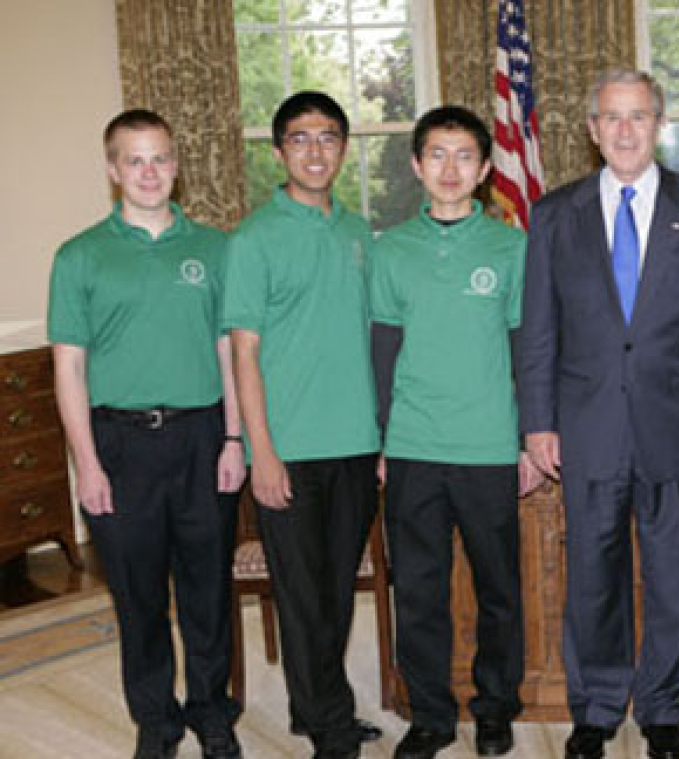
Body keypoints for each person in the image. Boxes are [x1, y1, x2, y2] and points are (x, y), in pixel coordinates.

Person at [516, 68, 679, 759]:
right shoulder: (555, 214)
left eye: (637, 116)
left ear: (658, 123)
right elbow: (539, 329)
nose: (623, 129)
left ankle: (665, 708)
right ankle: (597, 706)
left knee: (674, 573)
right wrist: (536, 423)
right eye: (610, 117)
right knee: (591, 574)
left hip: (676, 424)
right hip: (584, 427)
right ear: (590, 129)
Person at [48, 109, 246, 759]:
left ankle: (212, 711)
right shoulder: (79, 256)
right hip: (119, 447)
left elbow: (229, 351)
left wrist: (234, 439)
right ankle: (155, 720)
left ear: (177, 164)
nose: (150, 171)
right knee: (137, 597)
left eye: (160, 157)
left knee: (207, 591)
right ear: (112, 170)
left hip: (201, 439)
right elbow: (69, 367)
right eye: (135, 160)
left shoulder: (215, 248)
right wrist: (88, 465)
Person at [369, 105, 542, 759]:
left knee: (499, 590)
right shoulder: (391, 250)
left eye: (464, 155)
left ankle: (495, 707)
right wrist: (383, 440)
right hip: (412, 448)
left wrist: (529, 438)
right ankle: (431, 716)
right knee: (419, 591)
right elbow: (382, 353)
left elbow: (527, 350)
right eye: (436, 154)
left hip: (489, 448)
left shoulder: (512, 247)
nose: (449, 168)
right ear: (417, 166)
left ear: (485, 168)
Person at [222, 91, 383, 759]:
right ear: (279, 150)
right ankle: (330, 728)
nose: (315, 150)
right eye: (300, 138)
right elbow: (244, 351)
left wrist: (382, 439)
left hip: (357, 444)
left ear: (343, 148)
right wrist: (261, 450)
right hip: (289, 448)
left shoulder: (357, 231)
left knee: (337, 590)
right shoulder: (254, 239)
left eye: (328, 138)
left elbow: (374, 339)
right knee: (304, 594)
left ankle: (312, 704)